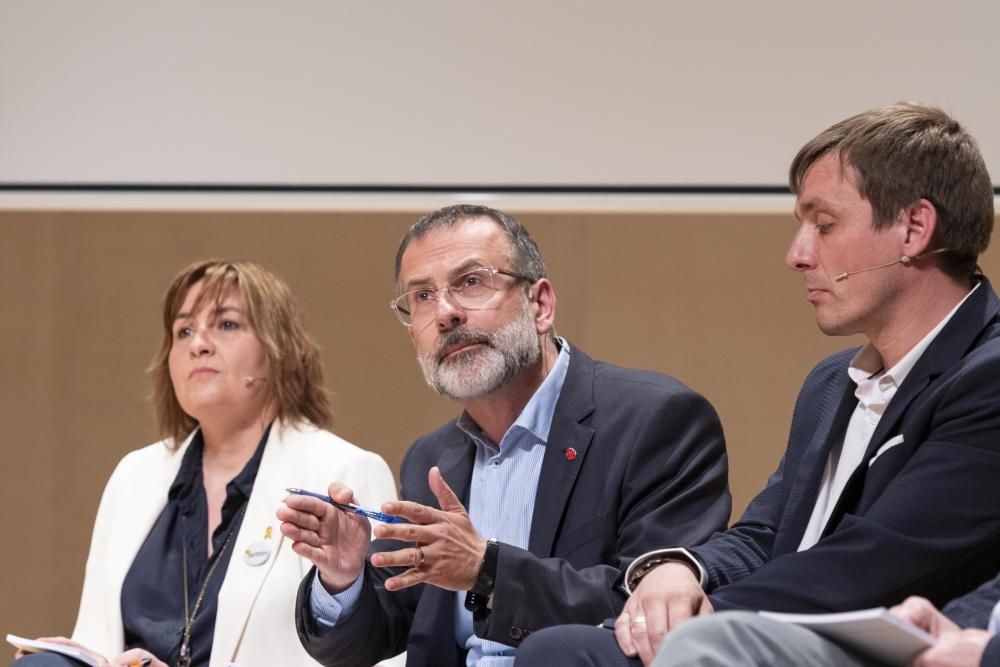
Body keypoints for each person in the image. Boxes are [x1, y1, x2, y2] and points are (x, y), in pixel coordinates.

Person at [513, 102, 1000, 666]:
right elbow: (764, 535)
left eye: (824, 225)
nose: (796, 254)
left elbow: (878, 561)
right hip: (781, 632)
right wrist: (681, 569)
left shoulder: (986, 374)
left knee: (587, 651)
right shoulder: (829, 383)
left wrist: (710, 620)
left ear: (914, 228)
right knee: (559, 650)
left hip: (883, 649)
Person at [279, 204, 732, 667]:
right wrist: (342, 576)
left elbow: (652, 609)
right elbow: (368, 642)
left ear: (540, 305)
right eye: (422, 297)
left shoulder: (655, 421)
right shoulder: (432, 458)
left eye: (471, 282)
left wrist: (487, 571)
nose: (446, 313)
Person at [12, 260, 397, 667]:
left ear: (282, 350)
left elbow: (378, 657)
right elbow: (97, 637)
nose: (199, 343)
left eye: (226, 324)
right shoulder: (133, 476)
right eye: (184, 331)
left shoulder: (343, 471)